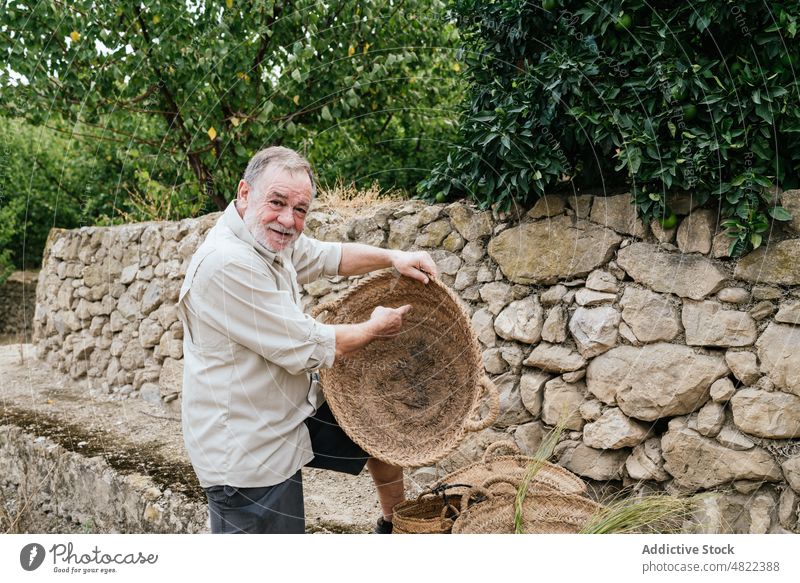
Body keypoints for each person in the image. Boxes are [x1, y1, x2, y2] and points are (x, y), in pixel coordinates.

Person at [177, 146, 437, 534]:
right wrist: (374, 328)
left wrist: (393, 256)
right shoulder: (229, 263)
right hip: (247, 450)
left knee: (375, 423)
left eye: (300, 210)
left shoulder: (265, 238)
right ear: (244, 194)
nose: (288, 219)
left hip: (288, 410)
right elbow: (309, 345)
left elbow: (329, 256)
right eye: (278, 202)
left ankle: (395, 525)